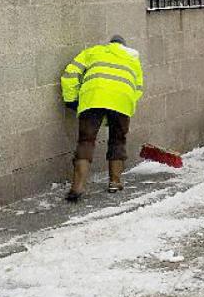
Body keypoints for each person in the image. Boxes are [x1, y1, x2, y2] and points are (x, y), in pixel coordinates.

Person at [60, 35, 144, 202]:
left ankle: (77, 188)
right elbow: (137, 89)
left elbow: (70, 75)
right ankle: (115, 182)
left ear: (110, 44)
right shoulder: (133, 60)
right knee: (118, 140)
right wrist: (124, 108)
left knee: (86, 141)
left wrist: (71, 100)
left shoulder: (93, 52)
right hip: (121, 101)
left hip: (93, 97)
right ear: (124, 46)